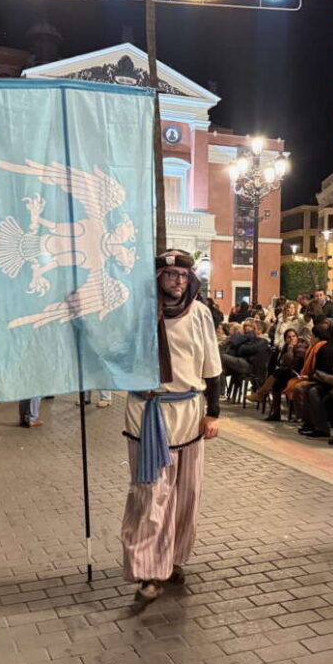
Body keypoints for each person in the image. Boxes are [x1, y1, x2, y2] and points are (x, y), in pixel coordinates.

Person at [121, 250, 221, 608]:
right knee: (150, 495)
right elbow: (115, 355)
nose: (177, 280)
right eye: (170, 274)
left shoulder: (200, 314)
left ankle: (174, 559)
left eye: (183, 274)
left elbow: (212, 367)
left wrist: (214, 413)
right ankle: (149, 570)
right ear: (159, 276)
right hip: (148, 414)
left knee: (186, 495)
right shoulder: (138, 314)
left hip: (189, 413)